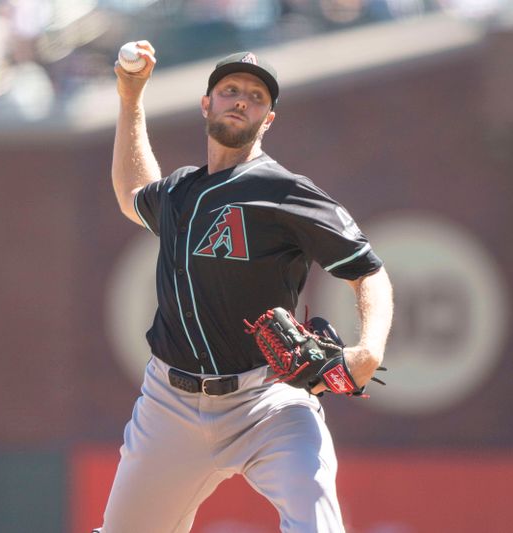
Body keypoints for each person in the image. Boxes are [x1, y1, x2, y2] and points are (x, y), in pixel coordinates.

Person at [98, 41, 394, 533]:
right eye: (229, 89)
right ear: (206, 104)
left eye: (255, 96)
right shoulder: (178, 192)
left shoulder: (284, 191)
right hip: (169, 405)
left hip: (268, 400)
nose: (240, 100)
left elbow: (368, 270)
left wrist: (369, 350)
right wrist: (131, 97)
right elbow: (133, 196)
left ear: (269, 118)